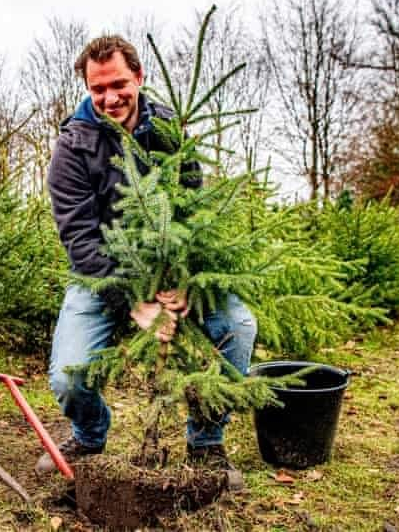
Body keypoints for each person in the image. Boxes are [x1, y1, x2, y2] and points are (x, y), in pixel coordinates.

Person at [40, 35, 256, 487]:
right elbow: (79, 241)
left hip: (173, 268)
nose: (110, 97)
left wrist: (180, 282)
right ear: (86, 87)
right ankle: (89, 434)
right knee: (67, 376)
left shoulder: (169, 130)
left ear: (138, 77)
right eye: (97, 89)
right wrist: (134, 300)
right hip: (101, 277)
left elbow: (191, 211)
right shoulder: (72, 148)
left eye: (119, 84)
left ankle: (206, 443)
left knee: (238, 325)